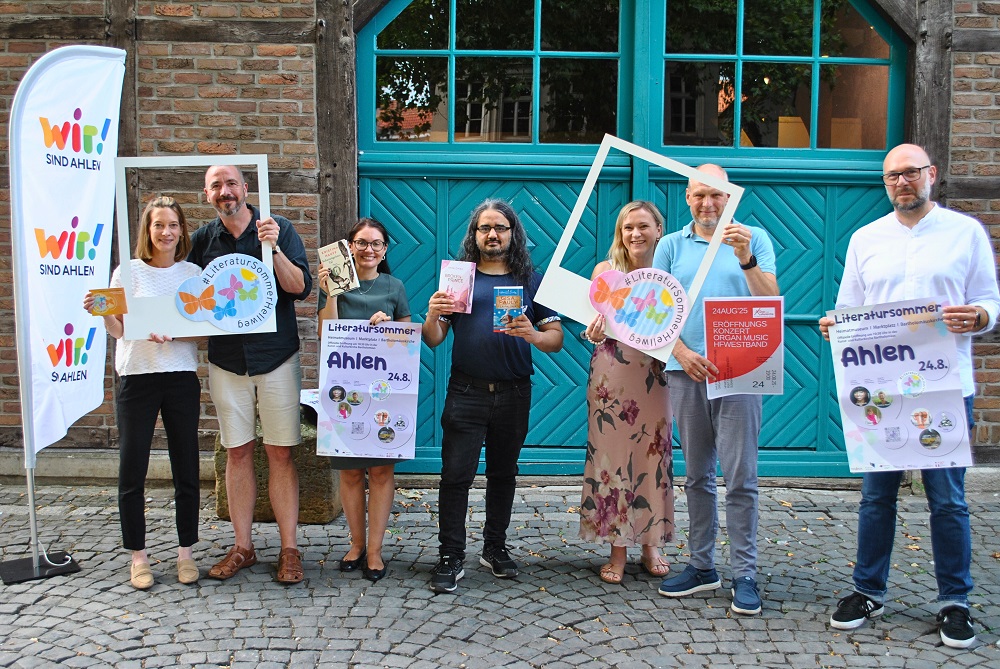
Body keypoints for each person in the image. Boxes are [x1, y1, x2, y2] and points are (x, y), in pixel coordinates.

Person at [818, 143, 1000, 648]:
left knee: (948, 500)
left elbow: (990, 300)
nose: (902, 182)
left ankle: (955, 601)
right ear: (885, 183)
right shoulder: (865, 238)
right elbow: (848, 307)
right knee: (877, 497)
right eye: (893, 176)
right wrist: (836, 327)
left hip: (944, 385)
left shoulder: (965, 233)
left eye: (911, 173)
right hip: (881, 389)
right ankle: (867, 589)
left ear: (931, 175)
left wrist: (981, 317)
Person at [653, 164, 779, 615]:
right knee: (697, 476)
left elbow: (769, 300)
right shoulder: (670, 245)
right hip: (685, 370)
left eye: (717, 196)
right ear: (687, 198)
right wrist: (681, 353)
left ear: (731, 199)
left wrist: (746, 256)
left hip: (740, 369)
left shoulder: (754, 238)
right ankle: (702, 565)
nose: (707, 204)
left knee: (741, 478)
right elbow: (657, 310)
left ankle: (745, 573)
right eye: (698, 196)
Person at [422, 199, 563, 593]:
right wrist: (433, 314)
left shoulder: (530, 280)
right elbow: (434, 340)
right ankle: (451, 554)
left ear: (513, 233)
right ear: (475, 235)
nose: (492, 234)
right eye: (485, 228)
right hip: (466, 390)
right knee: (455, 476)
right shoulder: (458, 279)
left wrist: (533, 334)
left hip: (515, 391)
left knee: (503, 474)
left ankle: (494, 547)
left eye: (500, 227)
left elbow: (557, 339)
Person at [188, 165, 312, 584]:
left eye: (231, 183)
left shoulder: (279, 228)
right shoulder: (203, 240)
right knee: (238, 451)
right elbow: (187, 297)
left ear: (245, 188)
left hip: (276, 357)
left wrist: (273, 249)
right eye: (216, 186)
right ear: (208, 195)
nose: (225, 192)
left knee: (280, 452)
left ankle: (289, 549)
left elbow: (299, 288)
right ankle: (243, 547)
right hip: (227, 360)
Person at [83, 196, 203, 590]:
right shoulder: (128, 272)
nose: (166, 232)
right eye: (158, 225)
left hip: (180, 375)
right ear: (147, 231)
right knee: (132, 467)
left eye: (173, 225)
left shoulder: (193, 273)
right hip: (137, 375)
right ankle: (138, 555)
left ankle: (186, 551)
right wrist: (103, 312)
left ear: (182, 229)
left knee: (186, 465)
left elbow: (205, 331)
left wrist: (175, 332)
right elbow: (119, 332)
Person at [579, 201, 675, 584]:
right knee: (613, 458)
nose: (635, 234)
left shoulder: (670, 273)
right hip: (613, 374)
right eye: (627, 228)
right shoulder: (607, 272)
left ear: (658, 229)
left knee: (655, 455)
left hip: (657, 372)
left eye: (643, 226)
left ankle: (652, 542)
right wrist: (594, 330)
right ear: (620, 233)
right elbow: (591, 326)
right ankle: (617, 548)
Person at [318, 218, 411, 583]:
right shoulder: (334, 287)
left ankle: (375, 550)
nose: (368, 249)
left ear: (384, 250)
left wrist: (387, 326)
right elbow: (325, 334)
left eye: (376, 244)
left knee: (382, 471)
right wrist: (330, 294)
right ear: (349, 247)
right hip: (343, 390)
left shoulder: (394, 286)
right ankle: (355, 545)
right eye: (361, 242)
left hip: (384, 392)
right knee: (351, 471)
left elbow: (406, 341)